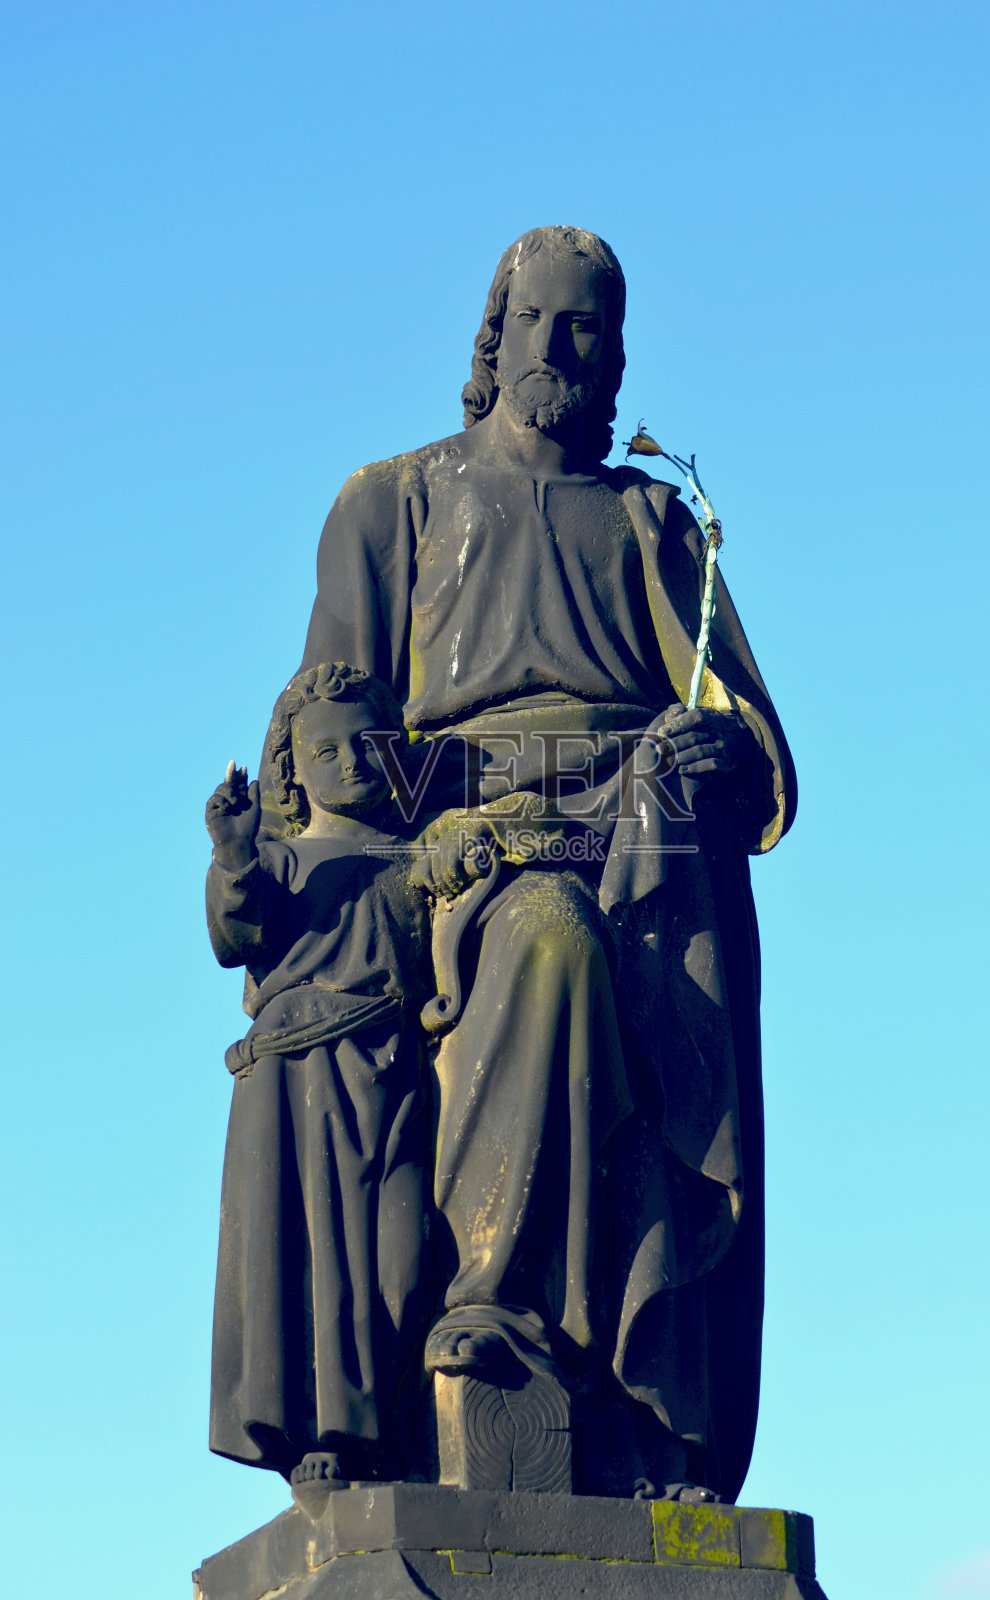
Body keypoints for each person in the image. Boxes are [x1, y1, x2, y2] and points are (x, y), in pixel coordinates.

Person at [287, 226, 797, 1501]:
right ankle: (492, 1320)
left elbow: (766, 766)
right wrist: (495, 798)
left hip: (648, 849)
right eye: (544, 324)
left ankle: (645, 1391)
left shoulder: (654, 519)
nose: (567, 350)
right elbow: (331, 751)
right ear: (492, 336)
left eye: (593, 329)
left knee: (650, 936)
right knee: (550, 939)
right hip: (464, 867)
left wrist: (704, 755)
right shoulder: (392, 502)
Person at [206, 663, 434, 1488]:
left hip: (392, 1079)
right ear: (290, 767)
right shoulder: (279, 862)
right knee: (308, 1258)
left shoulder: (412, 852)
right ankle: (329, 1438)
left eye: (368, 742)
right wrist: (235, 853)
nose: (351, 760)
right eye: (323, 748)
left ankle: (404, 1429)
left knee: (401, 1259)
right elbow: (235, 935)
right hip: (293, 1090)